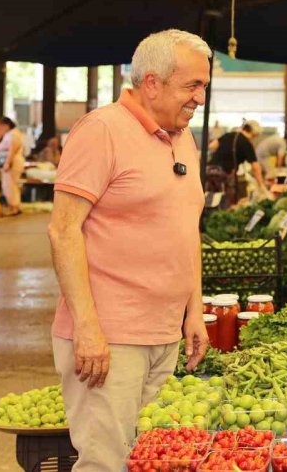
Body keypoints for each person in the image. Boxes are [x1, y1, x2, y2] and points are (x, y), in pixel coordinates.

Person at [47, 29, 211, 471]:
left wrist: (192, 310)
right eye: (191, 86)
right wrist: (87, 328)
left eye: (203, 87)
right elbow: (64, 231)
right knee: (105, 462)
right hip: (110, 337)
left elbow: (185, 228)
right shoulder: (102, 130)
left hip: (163, 333)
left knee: (150, 461)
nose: (199, 97)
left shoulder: (182, 137)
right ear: (152, 82)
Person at [208, 121, 266, 205]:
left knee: (210, 198)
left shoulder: (228, 135)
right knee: (226, 201)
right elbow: (255, 167)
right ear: (254, 134)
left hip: (210, 170)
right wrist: (261, 185)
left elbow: (212, 146)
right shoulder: (246, 143)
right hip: (225, 174)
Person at [0, 116, 25, 216]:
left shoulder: (14, 134)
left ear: (7, 125)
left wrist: (7, 163)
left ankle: (14, 207)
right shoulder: (9, 134)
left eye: (1, 126)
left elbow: (12, 150)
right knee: (9, 185)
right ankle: (15, 206)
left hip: (12, 162)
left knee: (10, 185)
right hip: (8, 161)